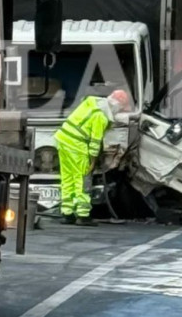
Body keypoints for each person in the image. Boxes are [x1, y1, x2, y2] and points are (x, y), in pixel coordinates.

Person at [54, 90, 132, 226]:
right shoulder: (100, 116)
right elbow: (95, 143)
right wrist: (93, 161)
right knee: (82, 179)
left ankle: (67, 213)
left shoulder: (93, 102)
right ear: (117, 104)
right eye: (121, 108)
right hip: (76, 145)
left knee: (68, 177)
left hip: (63, 139)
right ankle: (83, 215)